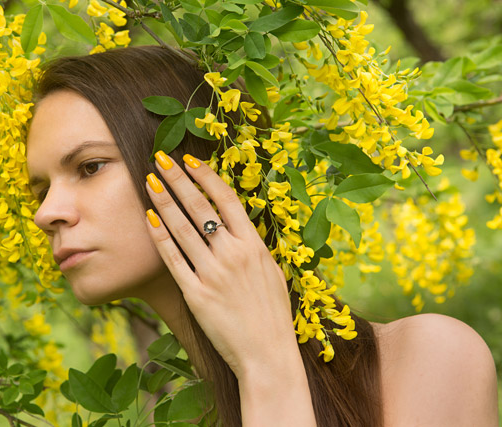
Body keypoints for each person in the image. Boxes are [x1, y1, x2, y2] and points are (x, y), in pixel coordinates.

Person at [25, 45, 499, 426]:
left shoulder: (428, 360)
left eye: (89, 167)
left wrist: (267, 364)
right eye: (42, 190)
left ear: (200, 167)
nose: (47, 213)